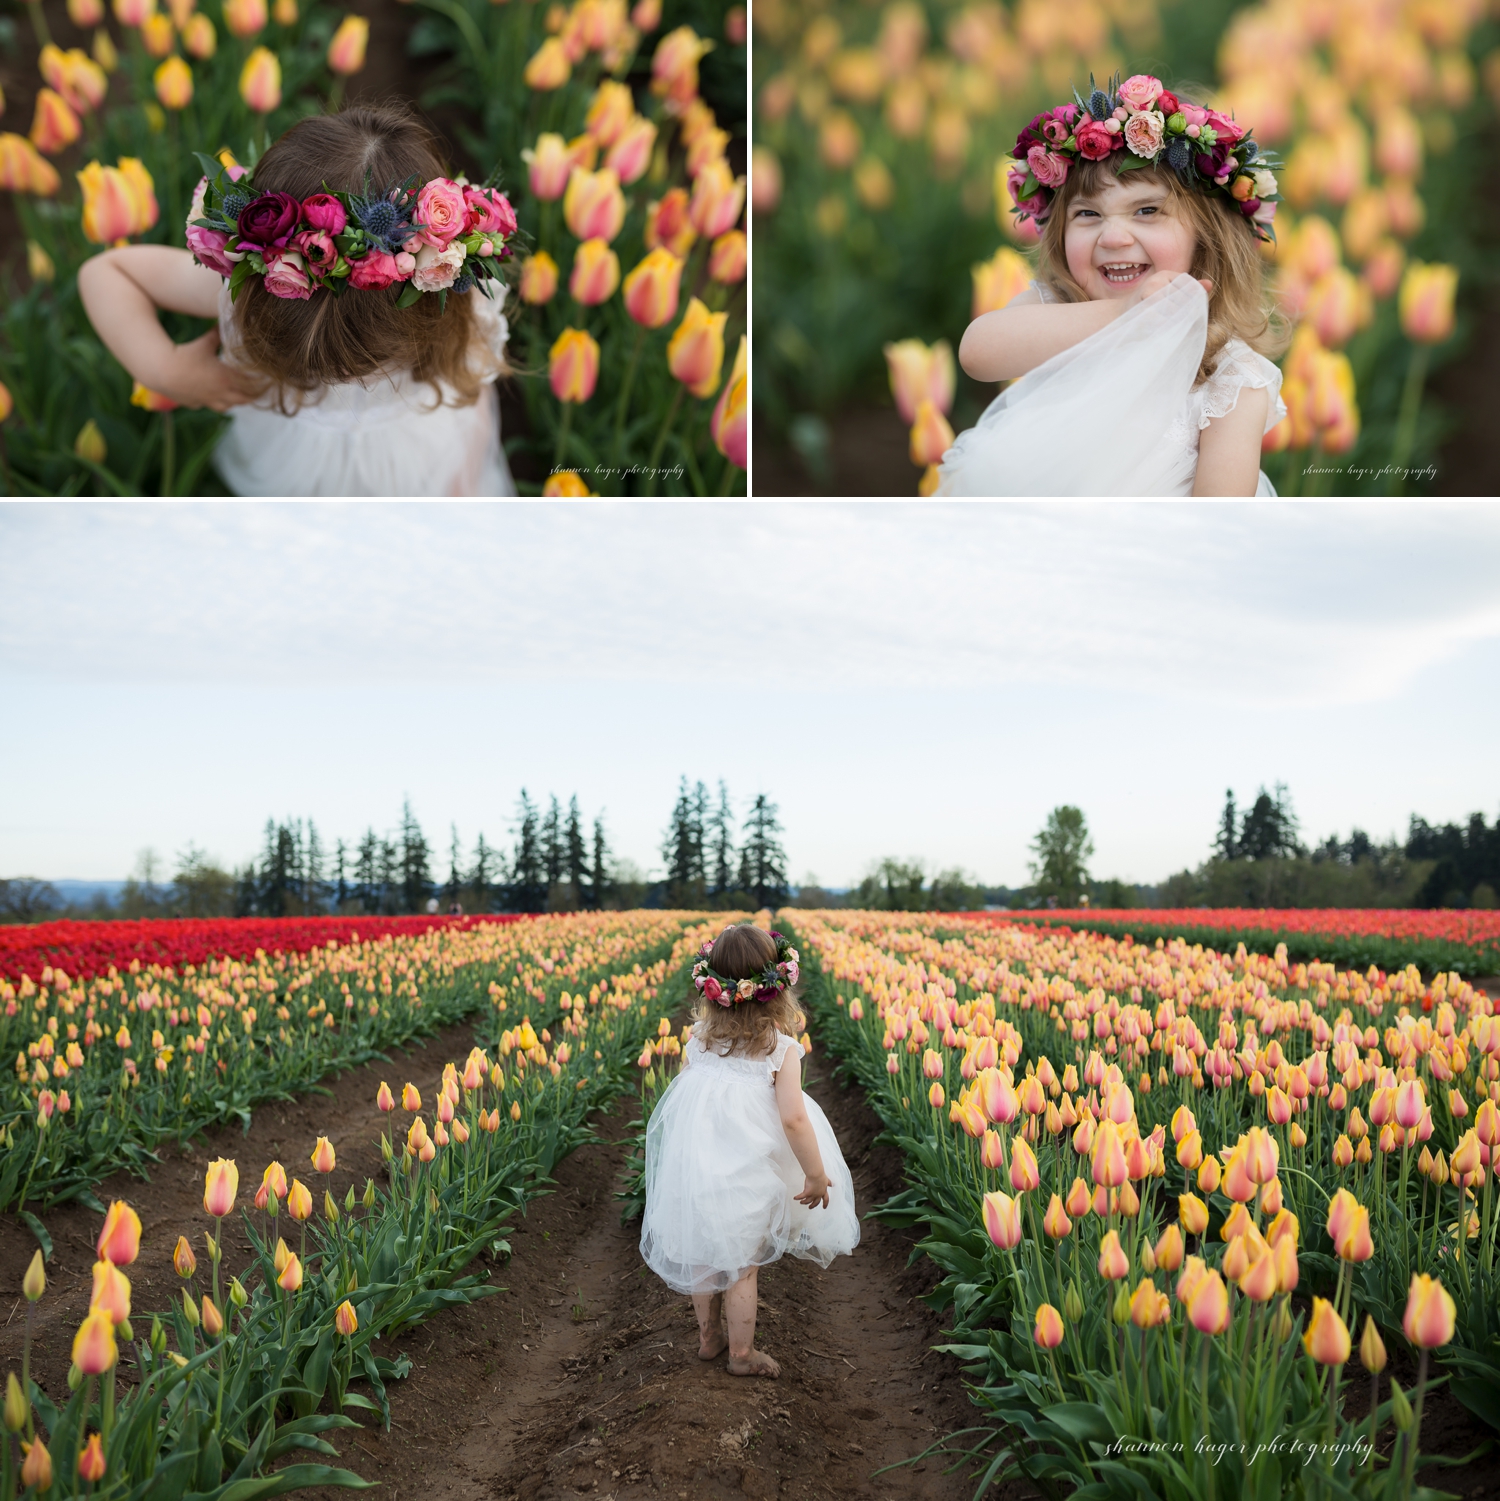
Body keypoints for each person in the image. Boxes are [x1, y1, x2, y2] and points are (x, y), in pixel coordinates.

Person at [78, 104, 517, 496]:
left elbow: (471, 408)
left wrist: (462, 487)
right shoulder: (245, 288)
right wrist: (165, 369)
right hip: (296, 465)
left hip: (419, 470)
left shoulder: (456, 306)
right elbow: (104, 274)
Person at [938, 73, 1289, 497]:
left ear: (1207, 234)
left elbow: (1217, 525)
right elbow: (978, 352)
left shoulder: (1229, 379)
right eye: (1088, 214)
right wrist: (1126, 315)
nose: (1113, 237)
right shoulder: (1060, 308)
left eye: (1146, 210)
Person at [639, 924, 859, 1377]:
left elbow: (690, 1097)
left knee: (701, 1251)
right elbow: (795, 1119)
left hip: (699, 1162)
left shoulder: (699, 1038)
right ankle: (741, 1354)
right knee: (742, 1265)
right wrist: (815, 1174)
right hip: (747, 1169)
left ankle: (708, 1338)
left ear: (713, 986)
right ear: (777, 988)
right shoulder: (781, 1049)